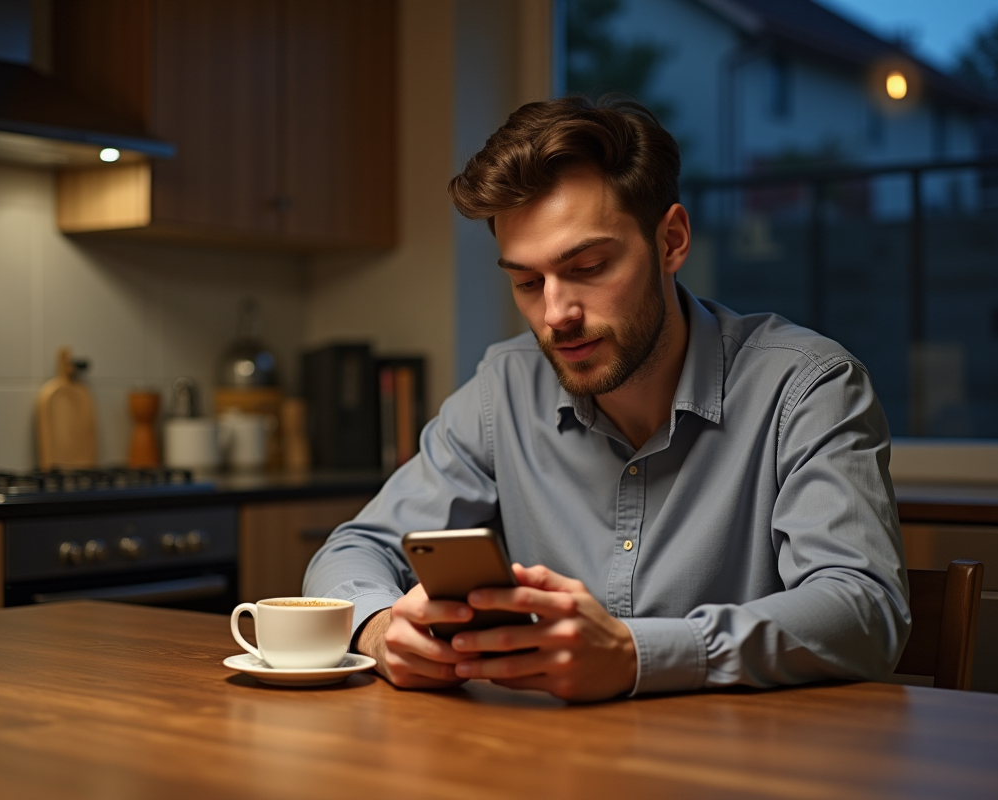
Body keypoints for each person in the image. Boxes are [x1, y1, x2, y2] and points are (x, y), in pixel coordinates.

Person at [304, 96, 910, 702]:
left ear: (671, 240)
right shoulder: (504, 388)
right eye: (526, 281)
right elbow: (353, 550)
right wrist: (380, 630)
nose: (555, 315)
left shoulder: (808, 387)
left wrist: (636, 655)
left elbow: (864, 609)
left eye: (590, 267)